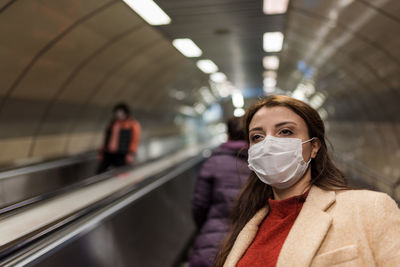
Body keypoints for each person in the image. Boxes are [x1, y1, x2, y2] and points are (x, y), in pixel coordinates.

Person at [215, 95, 400, 267]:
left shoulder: (369, 208)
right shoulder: (247, 224)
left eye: (285, 131)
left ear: (314, 147)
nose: (268, 144)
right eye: (257, 137)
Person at [190, 117, 251, 267]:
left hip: (212, 243)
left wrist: (207, 227)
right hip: (249, 240)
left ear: (228, 134)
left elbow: (199, 205)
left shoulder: (213, 162)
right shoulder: (262, 164)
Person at [96, 103, 141, 174]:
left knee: (122, 173)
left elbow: (135, 140)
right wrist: (101, 152)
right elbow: (106, 139)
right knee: (100, 172)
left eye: (121, 112)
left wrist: (131, 153)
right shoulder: (112, 123)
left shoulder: (132, 124)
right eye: (117, 112)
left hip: (122, 153)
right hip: (109, 152)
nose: (119, 114)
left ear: (126, 113)